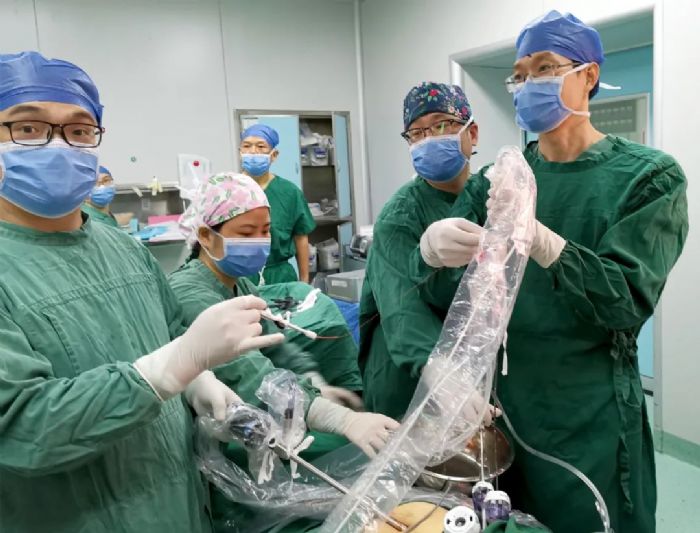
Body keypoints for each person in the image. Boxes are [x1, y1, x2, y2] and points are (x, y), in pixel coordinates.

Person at [415, 11, 688, 533]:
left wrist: (545, 242)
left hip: (589, 411)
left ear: (589, 75)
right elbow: (447, 295)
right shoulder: (497, 179)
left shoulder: (649, 177)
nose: (527, 84)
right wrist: (430, 253)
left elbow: (624, 302)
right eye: (519, 74)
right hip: (507, 406)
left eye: (544, 68)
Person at [0, 51, 283, 533]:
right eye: (28, 128)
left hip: (177, 507)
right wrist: (160, 375)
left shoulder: (122, 248)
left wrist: (198, 383)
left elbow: (172, 335)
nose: (59, 144)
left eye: (80, 130)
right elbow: (22, 430)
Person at [170, 172, 399, 531]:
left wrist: (315, 382)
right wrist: (343, 420)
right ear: (205, 236)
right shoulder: (191, 294)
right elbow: (250, 376)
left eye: (265, 231)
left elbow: (277, 345)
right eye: (246, 233)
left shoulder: (237, 284)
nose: (259, 242)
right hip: (210, 438)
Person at [358, 82, 483, 420]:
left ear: (472, 133)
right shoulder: (399, 215)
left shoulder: (487, 195)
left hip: (471, 356)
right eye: (417, 133)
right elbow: (400, 305)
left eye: (442, 125)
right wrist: (438, 368)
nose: (429, 139)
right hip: (409, 369)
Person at [240, 124, 316, 284]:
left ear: (274, 155)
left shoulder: (289, 192)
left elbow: (301, 237)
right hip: (240, 275)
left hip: (280, 276)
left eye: (261, 146)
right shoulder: (229, 189)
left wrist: (304, 282)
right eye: (246, 146)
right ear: (240, 152)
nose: (253, 151)